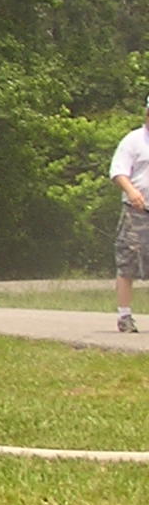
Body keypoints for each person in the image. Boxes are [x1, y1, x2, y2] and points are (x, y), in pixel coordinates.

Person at [112, 95, 149, 332]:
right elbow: (118, 172)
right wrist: (131, 191)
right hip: (137, 211)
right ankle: (124, 315)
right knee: (129, 261)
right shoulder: (134, 141)